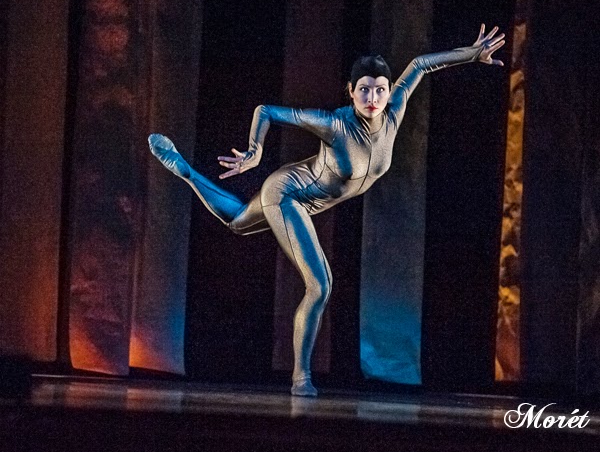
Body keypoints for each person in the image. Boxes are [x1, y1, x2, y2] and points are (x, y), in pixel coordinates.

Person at [148, 24, 505, 396]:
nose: (372, 97)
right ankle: (301, 377)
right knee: (320, 285)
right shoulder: (335, 124)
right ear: (350, 91)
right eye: (363, 89)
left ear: (389, 92)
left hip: (305, 201)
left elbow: (419, 65)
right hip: (287, 194)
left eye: (380, 89)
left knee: (237, 223)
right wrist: (255, 151)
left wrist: (472, 53)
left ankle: (184, 169)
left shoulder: (394, 113)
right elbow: (266, 110)